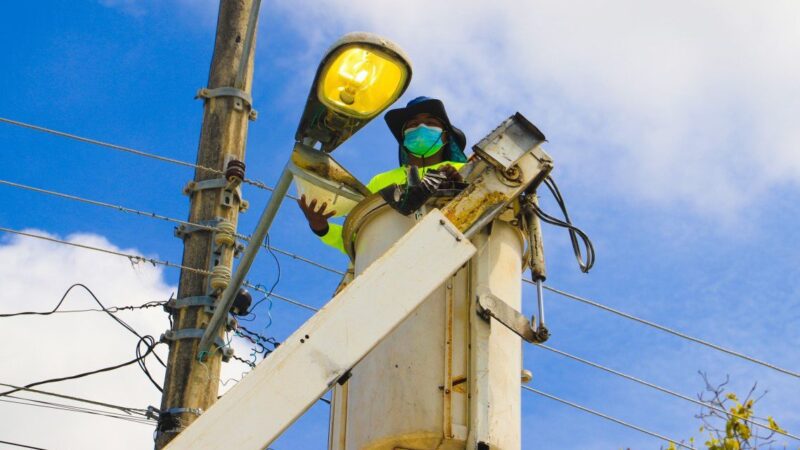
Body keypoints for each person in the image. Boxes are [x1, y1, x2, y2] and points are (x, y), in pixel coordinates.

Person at [298, 96, 468, 253]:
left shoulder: (466, 168)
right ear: (403, 138)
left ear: (446, 137)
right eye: (413, 125)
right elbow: (361, 239)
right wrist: (322, 229)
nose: (421, 127)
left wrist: (461, 188)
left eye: (430, 122)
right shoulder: (381, 180)